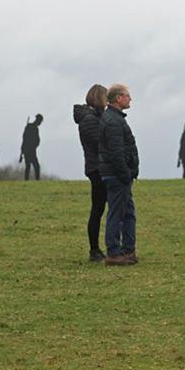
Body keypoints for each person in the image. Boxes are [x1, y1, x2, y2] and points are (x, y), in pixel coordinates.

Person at [98, 84, 139, 266]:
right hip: (117, 175)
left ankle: (128, 250)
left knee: (128, 212)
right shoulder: (114, 121)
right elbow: (116, 152)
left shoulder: (115, 119)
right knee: (117, 213)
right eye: (127, 95)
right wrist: (125, 174)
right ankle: (114, 253)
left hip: (119, 174)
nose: (130, 99)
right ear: (118, 98)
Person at [74, 84, 109, 262]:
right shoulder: (89, 120)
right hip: (98, 169)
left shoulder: (94, 117)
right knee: (98, 209)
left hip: (98, 167)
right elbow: (98, 144)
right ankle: (94, 249)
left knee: (100, 208)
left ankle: (99, 248)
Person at [21, 114, 44, 180]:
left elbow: (24, 139)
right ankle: (37, 180)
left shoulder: (29, 127)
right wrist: (35, 145)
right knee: (36, 167)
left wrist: (22, 150)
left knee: (28, 167)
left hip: (27, 150)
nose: (40, 123)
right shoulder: (34, 128)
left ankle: (27, 181)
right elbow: (34, 140)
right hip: (31, 150)